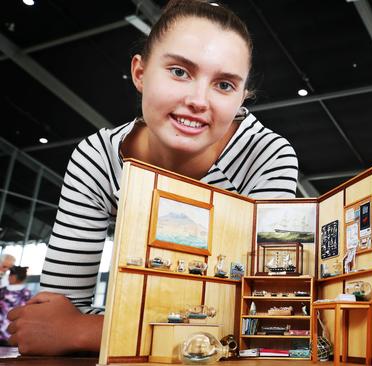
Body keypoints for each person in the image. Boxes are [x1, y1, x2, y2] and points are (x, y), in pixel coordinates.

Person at [7, 0, 298, 356]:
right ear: (140, 73)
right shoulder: (98, 157)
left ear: (241, 97)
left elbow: (266, 313)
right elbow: (51, 314)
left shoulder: (266, 155)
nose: (198, 100)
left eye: (223, 84)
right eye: (179, 72)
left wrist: (86, 330)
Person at [0, 266, 32, 346]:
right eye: (10, 274)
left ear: (19, 277)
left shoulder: (26, 293)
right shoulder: (2, 290)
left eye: (12, 274)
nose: (10, 277)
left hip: (14, 332)